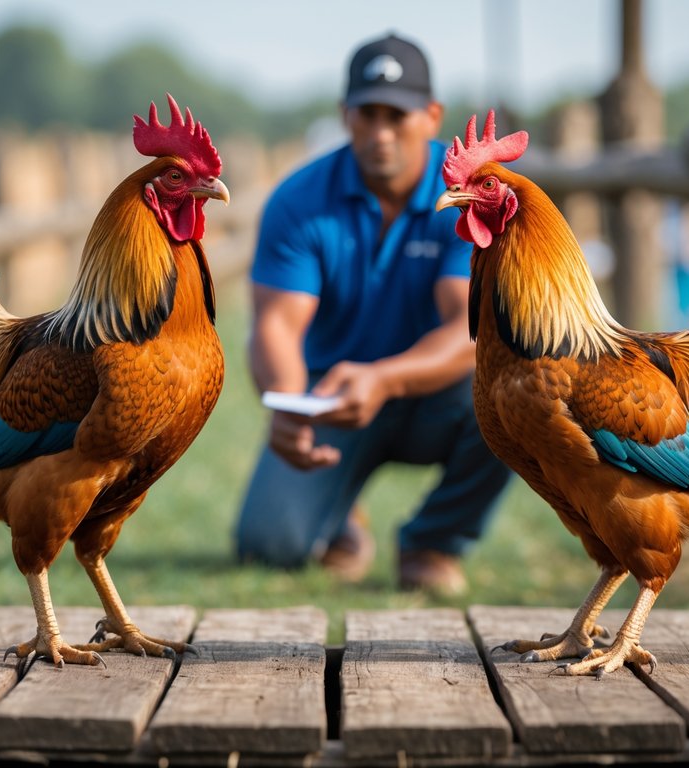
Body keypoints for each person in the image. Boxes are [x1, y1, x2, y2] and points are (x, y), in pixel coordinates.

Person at [234, 32, 511, 595]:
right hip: (331, 396)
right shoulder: (299, 200)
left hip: (439, 394)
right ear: (346, 115)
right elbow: (276, 324)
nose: (381, 132)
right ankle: (341, 519)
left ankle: (433, 542)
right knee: (268, 545)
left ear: (432, 117)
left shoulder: (463, 195)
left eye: (397, 115)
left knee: (512, 396)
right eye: (368, 114)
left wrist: (385, 378)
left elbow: (469, 329)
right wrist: (287, 404)